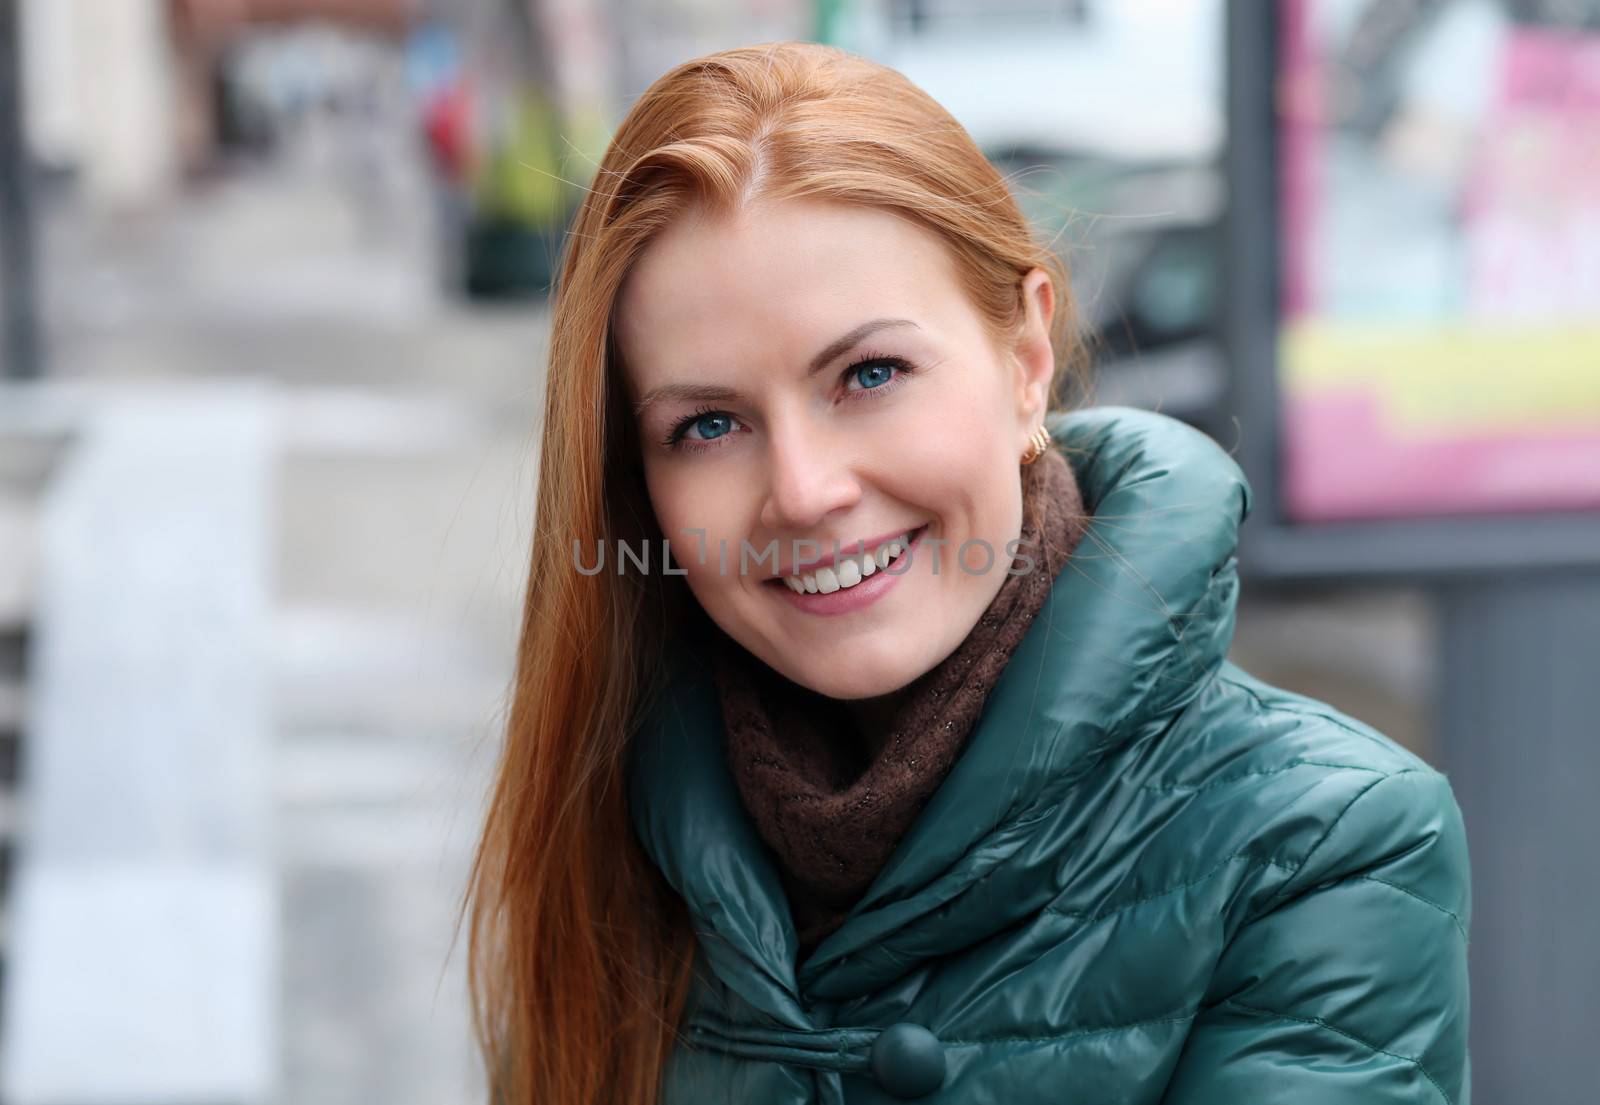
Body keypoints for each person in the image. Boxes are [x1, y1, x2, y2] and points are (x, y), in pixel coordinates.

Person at [461, 42, 1471, 1105]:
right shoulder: (606, 821)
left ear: (1027, 360)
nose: (802, 491)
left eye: (869, 374)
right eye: (706, 424)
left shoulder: (1320, 841)